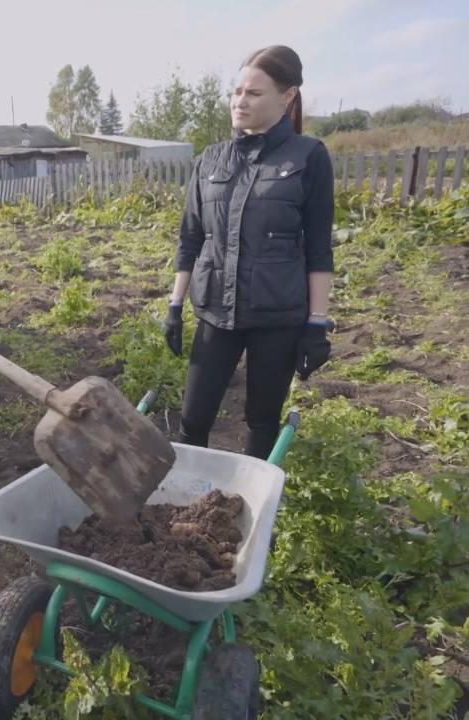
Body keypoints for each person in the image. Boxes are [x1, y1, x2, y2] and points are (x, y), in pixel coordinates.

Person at [163, 45, 334, 459]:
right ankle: (182, 511)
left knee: (261, 421)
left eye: (254, 93)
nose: (240, 101)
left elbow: (317, 249)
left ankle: (246, 511)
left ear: (287, 97)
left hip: (277, 317)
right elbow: (191, 238)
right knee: (193, 419)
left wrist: (317, 323)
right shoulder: (210, 161)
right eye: (236, 91)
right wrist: (175, 304)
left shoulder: (308, 157)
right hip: (215, 313)